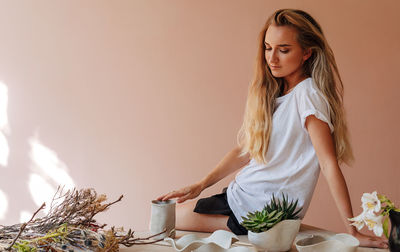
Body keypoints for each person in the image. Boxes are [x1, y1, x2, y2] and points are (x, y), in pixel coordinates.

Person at [157, 9, 388, 248]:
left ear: (307, 53)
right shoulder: (280, 94)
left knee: (167, 219)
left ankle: (279, 227)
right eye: (268, 48)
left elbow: (328, 163)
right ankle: (284, 227)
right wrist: (200, 184)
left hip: (258, 209)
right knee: (166, 217)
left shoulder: (307, 95)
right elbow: (246, 151)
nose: (272, 58)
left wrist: (352, 230)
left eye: (284, 50)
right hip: (242, 197)